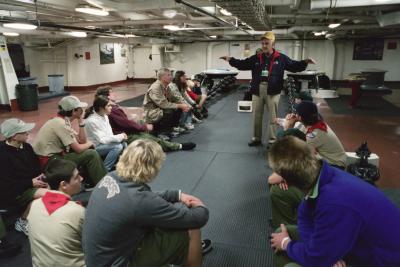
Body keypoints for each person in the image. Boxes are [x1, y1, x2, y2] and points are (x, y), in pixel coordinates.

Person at [269, 136, 400, 267]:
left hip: (380, 261)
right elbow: (305, 214)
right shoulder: (323, 173)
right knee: (285, 234)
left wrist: (286, 244)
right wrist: (325, 253)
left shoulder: (334, 203)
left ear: (287, 181)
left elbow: (316, 259)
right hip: (357, 244)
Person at [83, 139, 211, 267]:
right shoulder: (139, 201)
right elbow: (197, 219)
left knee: (158, 222)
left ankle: (182, 253)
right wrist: (200, 206)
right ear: (154, 168)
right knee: (191, 229)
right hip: (121, 262)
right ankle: (189, 250)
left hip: (100, 258)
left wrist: (176, 195)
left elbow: (141, 200)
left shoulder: (110, 177)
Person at [220, 31, 315, 147]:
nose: (264, 46)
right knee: (256, 115)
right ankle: (256, 138)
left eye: (267, 43)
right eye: (263, 43)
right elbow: (242, 64)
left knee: (272, 117)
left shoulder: (281, 58)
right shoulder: (256, 58)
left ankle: (272, 140)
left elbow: (294, 66)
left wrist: (305, 62)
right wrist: (230, 59)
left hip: (273, 90)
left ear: (273, 44)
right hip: (257, 89)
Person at [33, 95, 107, 186]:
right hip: (50, 161)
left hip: (53, 158)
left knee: (88, 148)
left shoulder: (62, 121)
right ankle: (103, 185)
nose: (82, 110)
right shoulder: (61, 124)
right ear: (74, 111)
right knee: (91, 154)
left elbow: (82, 141)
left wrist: (81, 122)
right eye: (80, 108)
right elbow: (78, 149)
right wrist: (92, 142)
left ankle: (90, 180)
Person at [95, 86, 196, 151]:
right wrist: (143, 127)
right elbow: (125, 123)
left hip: (125, 132)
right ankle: (178, 146)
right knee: (150, 140)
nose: (115, 94)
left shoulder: (112, 107)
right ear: (107, 96)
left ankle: (173, 144)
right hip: (123, 135)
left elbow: (125, 122)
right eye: (112, 93)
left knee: (150, 137)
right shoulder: (112, 109)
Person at [28, 159, 85, 267]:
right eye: (77, 177)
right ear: (63, 185)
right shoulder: (76, 211)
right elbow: (94, 243)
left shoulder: (34, 205)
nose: (81, 179)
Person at [0, 118, 48, 236]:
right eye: (24, 132)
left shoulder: (26, 147)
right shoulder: (2, 155)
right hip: (13, 191)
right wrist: (30, 183)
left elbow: (36, 166)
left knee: (51, 185)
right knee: (45, 194)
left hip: (29, 183)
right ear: (14, 136)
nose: (28, 133)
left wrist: (40, 176)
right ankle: (22, 222)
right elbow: (6, 185)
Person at [285, 101, 346, 169]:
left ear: (300, 117)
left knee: (298, 161)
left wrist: (288, 127)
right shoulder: (316, 122)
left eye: (296, 113)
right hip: (335, 158)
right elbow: (300, 130)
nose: (294, 114)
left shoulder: (314, 135)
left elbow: (290, 147)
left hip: (335, 165)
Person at [268, 128, 306, 229]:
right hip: (311, 191)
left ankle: (285, 229)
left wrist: (284, 178)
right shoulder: (303, 151)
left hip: (316, 198)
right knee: (278, 184)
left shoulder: (299, 158)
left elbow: (271, 179)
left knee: (276, 190)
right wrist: (285, 178)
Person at [143, 67, 191, 138]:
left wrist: (185, 105)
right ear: (162, 77)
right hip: (151, 113)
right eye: (169, 75)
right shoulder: (155, 87)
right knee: (169, 110)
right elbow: (164, 104)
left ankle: (172, 129)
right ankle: (162, 133)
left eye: (171, 75)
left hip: (159, 109)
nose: (171, 77)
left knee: (177, 108)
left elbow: (175, 98)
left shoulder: (166, 86)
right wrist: (180, 106)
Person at [84, 96, 127, 171]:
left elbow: (109, 135)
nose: (111, 107)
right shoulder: (91, 121)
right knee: (117, 147)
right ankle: (105, 169)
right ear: (101, 108)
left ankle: (124, 165)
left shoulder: (104, 116)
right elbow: (102, 140)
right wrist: (120, 136)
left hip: (104, 144)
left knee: (124, 144)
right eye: (108, 105)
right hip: (96, 147)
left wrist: (120, 137)